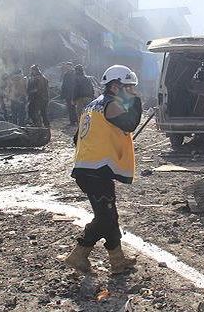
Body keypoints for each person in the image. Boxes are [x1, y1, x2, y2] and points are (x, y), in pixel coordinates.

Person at [64, 65, 142, 274]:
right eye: (129, 88)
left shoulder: (91, 106)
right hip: (96, 170)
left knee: (109, 214)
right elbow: (130, 123)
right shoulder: (110, 105)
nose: (132, 91)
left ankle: (117, 261)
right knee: (104, 217)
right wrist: (136, 103)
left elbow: (77, 138)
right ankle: (78, 254)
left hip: (88, 168)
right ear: (115, 87)